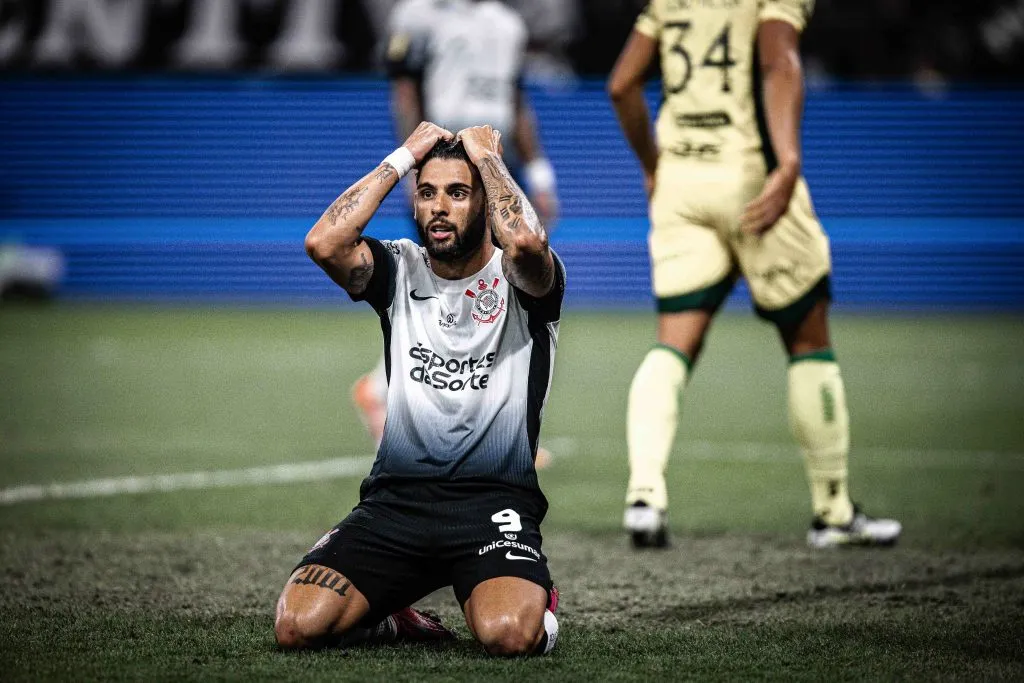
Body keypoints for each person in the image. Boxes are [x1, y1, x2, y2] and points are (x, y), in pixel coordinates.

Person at [607, 0, 901, 549]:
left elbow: (623, 84)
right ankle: (833, 512)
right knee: (809, 342)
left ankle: (644, 497)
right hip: (752, 178)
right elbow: (778, 61)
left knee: (672, 345)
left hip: (682, 183)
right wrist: (788, 163)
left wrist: (652, 164)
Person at [275, 122, 564, 656]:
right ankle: (394, 617)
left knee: (509, 636)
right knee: (297, 627)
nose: (439, 207)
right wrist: (405, 156)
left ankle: (538, 597)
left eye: (458, 193)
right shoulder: (398, 268)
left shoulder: (526, 281)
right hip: (396, 505)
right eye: (427, 193)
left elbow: (524, 238)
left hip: (492, 507)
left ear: (483, 200)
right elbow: (324, 242)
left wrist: (487, 157)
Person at [351, 0, 559, 465]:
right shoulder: (418, 15)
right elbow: (405, 92)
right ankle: (393, 393)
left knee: (496, 288)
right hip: (448, 172)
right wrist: (413, 171)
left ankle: (416, 401)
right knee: (451, 287)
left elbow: (516, 100)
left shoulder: (508, 24)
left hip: (495, 167)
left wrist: (540, 172)